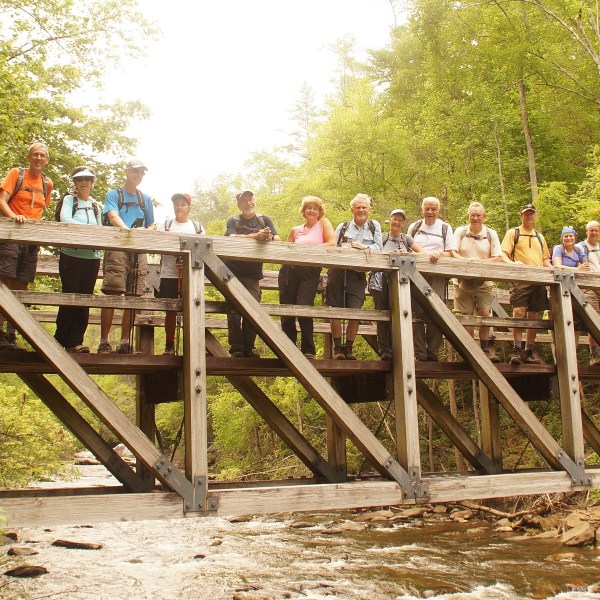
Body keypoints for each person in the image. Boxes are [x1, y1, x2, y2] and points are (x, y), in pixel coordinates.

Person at [97, 159, 154, 354]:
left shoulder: (145, 198)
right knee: (112, 291)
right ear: (127, 171)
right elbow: (112, 216)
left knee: (133, 295)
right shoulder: (114, 194)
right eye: (136, 171)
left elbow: (151, 225)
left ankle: (124, 342)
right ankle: (104, 341)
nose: (138, 175)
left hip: (139, 250)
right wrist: (129, 232)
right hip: (117, 246)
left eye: (142, 173)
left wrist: (144, 233)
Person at [0, 142, 53, 350]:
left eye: (42, 155)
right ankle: (0, 331)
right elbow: (2, 200)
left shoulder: (47, 183)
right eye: (35, 154)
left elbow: (40, 209)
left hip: (32, 240)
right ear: (29, 157)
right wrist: (15, 217)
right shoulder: (16, 174)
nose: (38, 158)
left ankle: (13, 333)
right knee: (6, 281)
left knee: (22, 284)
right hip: (12, 235)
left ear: (47, 160)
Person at [278, 196, 336, 359]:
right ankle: (288, 348)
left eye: (315, 208)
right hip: (290, 270)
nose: (311, 210)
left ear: (319, 212)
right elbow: (286, 251)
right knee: (287, 308)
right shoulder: (295, 230)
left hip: (310, 270)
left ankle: (308, 349)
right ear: (303, 211)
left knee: (305, 306)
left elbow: (332, 243)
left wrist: (307, 251)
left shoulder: (323, 223)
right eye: (308, 207)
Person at [326, 193, 382, 360]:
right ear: (352, 209)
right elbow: (332, 247)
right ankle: (337, 348)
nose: (361, 210)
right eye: (358, 207)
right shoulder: (342, 227)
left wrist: (362, 247)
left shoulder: (374, 226)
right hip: (338, 272)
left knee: (355, 312)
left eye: (364, 207)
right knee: (335, 310)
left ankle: (348, 348)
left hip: (358, 275)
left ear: (369, 209)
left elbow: (379, 247)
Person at [225, 190, 279, 358]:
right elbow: (230, 237)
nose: (248, 203)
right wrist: (256, 236)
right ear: (239, 205)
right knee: (234, 311)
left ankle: (249, 348)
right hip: (232, 272)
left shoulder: (264, 220)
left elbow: (277, 239)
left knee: (253, 310)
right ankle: (236, 349)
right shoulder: (233, 220)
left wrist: (267, 237)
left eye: (250, 200)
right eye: (244, 201)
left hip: (253, 274)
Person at [453, 202, 510, 363]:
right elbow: (452, 252)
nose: (476, 218)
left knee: (485, 313)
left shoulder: (491, 234)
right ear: (468, 216)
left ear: (484, 217)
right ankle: (470, 351)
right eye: (473, 215)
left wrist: (479, 264)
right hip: (462, 281)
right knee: (466, 316)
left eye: (479, 215)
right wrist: (467, 262)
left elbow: (498, 257)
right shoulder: (460, 232)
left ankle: (485, 350)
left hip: (484, 281)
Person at [54, 167, 102, 353]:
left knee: (84, 299)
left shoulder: (95, 205)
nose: (84, 182)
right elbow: (66, 219)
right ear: (75, 183)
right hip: (71, 255)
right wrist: (90, 230)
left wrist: (91, 232)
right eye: (80, 179)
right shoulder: (69, 200)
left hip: (91, 257)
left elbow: (100, 227)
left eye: (88, 179)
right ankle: (60, 339)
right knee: (70, 296)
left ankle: (75, 342)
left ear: (92, 182)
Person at [368, 208, 425, 361]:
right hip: (380, 282)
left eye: (400, 220)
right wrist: (391, 255)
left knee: (399, 315)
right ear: (390, 220)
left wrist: (407, 254)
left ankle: (399, 351)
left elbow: (422, 253)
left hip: (401, 285)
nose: (397, 222)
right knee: (382, 315)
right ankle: (385, 351)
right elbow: (373, 252)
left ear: (403, 223)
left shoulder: (406, 240)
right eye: (395, 219)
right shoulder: (383, 238)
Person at [407, 196, 457, 361]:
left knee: (437, 311)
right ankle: (420, 353)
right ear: (422, 210)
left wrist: (439, 254)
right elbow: (407, 248)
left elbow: (450, 251)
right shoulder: (414, 227)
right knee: (416, 313)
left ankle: (433, 352)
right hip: (416, 274)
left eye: (433, 209)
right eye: (427, 209)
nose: (430, 212)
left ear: (438, 210)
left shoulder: (444, 227)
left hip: (437, 274)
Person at [501, 204, 551, 365]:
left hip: (539, 279)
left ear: (535, 216)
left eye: (532, 214)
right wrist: (513, 265)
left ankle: (528, 351)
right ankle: (517, 350)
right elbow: (504, 254)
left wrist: (556, 270)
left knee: (535, 315)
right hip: (521, 278)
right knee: (518, 312)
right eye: (526, 214)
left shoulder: (539, 237)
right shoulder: (513, 233)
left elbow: (545, 260)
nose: (529, 216)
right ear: (521, 215)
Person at [157, 193, 205, 355]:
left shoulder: (197, 228)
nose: (179, 207)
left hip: (191, 275)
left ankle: (194, 344)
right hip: (168, 274)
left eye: (182, 204)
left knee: (193, 308)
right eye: (176, 204)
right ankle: (170, 345)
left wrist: (189, 259)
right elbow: (156, 243)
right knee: (170, 309)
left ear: (189, 208)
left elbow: (204, 251)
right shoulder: (165, 225)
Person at [576, 221, 600, 366]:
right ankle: (594, 355)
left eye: (596, 230)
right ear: (586, 231)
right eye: (591, 230)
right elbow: (572, 262)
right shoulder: (579, 247)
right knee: (594, 318)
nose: (594, 233)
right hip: (588, 286)